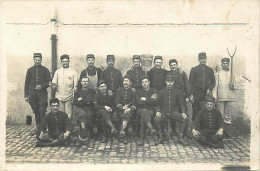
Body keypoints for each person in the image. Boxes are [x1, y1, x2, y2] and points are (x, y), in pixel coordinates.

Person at [153, 74, 189, 146]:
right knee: (156, 119)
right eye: (168, 81)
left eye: (171, 82)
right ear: (165, 82)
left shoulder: (178, 92)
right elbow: (158, 105)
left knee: (185, 119)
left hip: (174, 112)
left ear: (173, 82)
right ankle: (160, 137)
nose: (170, 83)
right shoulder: (161, 92)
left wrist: (183, 112)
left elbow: (181, 104)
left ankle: (180, 137)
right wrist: (157, 111)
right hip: (163, 112)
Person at [24, 53, 51, 135]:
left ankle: (43, 129)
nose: (37, 61)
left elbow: (49, 82)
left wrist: (42, 86)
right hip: (32, 94)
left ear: (41, 60)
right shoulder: (30, 70)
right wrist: (26, 95)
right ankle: (38, 128)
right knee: (36, 111)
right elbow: (26, 83)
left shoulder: (45, 70)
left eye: (39, 60)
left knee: (42, 111)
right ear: (33, 60)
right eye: (36, 60)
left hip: (42, 93)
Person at [168, 59, 193, 137]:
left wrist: (188, 96)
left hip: (182, 97)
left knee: (184, 113)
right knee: (173, 113)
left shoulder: (182, 73)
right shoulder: (168, 74)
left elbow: (187, 85)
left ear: (177, 65)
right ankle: (174, 130)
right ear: (170, 66)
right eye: (171, 65)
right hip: (173, 97)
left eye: (174, 65)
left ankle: (185, 132)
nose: (173, 66)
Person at [189, 52, 215, 120]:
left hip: (205, 93)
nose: (203, 60)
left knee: (205, 110)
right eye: (201, 59)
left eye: (204, 58)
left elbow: (213, 82)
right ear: (198, 59)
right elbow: (190, 83)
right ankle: (194, 127)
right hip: (196, 93)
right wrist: (191, 94)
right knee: (195, 110)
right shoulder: (194, 69)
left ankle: (203, 127)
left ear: (206, 59)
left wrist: (209, 89)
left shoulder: (210, 70)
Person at [51, 54, 78, 120]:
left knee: (69, 114)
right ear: (61, 62)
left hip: (69, 96)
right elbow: (53, 83)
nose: (65, 63)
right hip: (59, 96)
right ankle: (61, 128)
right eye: (63, 61)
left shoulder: (73, 72)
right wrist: (53, 86)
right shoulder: (58, 72)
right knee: (60, 113)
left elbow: (76, 85)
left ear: (69, 61)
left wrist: (74, 91)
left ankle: (68, 128)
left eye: (66, 61)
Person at [73, 76, 96, 146]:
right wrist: (86, 101)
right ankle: (84, 134)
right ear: (81, 82)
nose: (85, 83)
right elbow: (75, 102)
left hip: (89, 109)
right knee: (81, 114)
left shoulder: (92, 91)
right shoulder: (78, 91)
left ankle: (81, 138)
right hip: (80, 108)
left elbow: (91, 101)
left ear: (88, 82)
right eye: (83, 81)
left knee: (86, 115)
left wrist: (82, 99)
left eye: (86, 81)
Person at [135, 76, 157, 146]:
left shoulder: (153, 90)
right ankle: (151, 129)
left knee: (143, 118)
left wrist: (145, 99)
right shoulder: (138, 91)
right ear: (141, 84)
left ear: (149, 82)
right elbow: (139, 102)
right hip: (140, 110)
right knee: (144, 111)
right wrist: (150, 100)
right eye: (143, 82)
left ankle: (142, 138)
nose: (144, 84)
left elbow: (155, 101)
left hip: (151, 110)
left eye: (146, 82)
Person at [213, 57, 235, 124]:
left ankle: (227, 120)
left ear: (228, 64)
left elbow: (236, 84)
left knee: (228, 111)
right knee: (220, 111)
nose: (225, 65)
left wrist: (233, 85)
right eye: (224, 63)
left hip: (229, 94)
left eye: (226, 63)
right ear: (221, 64)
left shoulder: (232, 74)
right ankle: (220, 122)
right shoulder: (218, 74)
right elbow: (215, 85)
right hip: (221, 94)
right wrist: (215, 96)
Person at [115, 75, 136, 144]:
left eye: (127, 81)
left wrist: (130, 108)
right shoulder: (119, 91)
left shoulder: (133, 92)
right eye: (124, 81)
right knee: (124, 115)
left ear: (130, 83)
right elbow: (117, 102)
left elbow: (134, 103)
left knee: (127, 115)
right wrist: (122, 107)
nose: (125, 82)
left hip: (130, 111)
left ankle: (122, 133)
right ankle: (124, 133)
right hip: (120, 110)